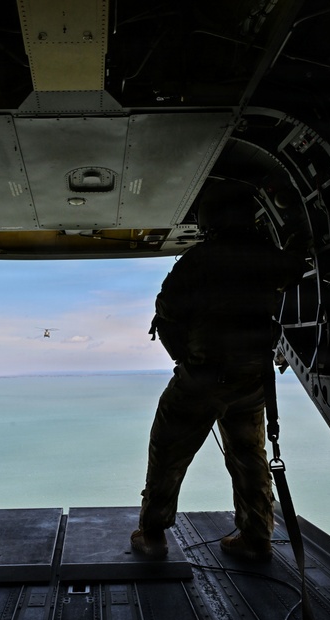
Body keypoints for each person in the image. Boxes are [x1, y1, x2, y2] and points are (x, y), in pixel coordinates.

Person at [130, 179, 309, 561]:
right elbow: (295, 264)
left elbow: (167, 316)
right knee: (249, 457)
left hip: (202, 378)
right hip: (251, 380)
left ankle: (153, 534)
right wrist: (297, 229)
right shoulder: (268, 258)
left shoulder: (198, 262)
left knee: (168, 452)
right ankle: (256, 535)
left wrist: (187, 360)